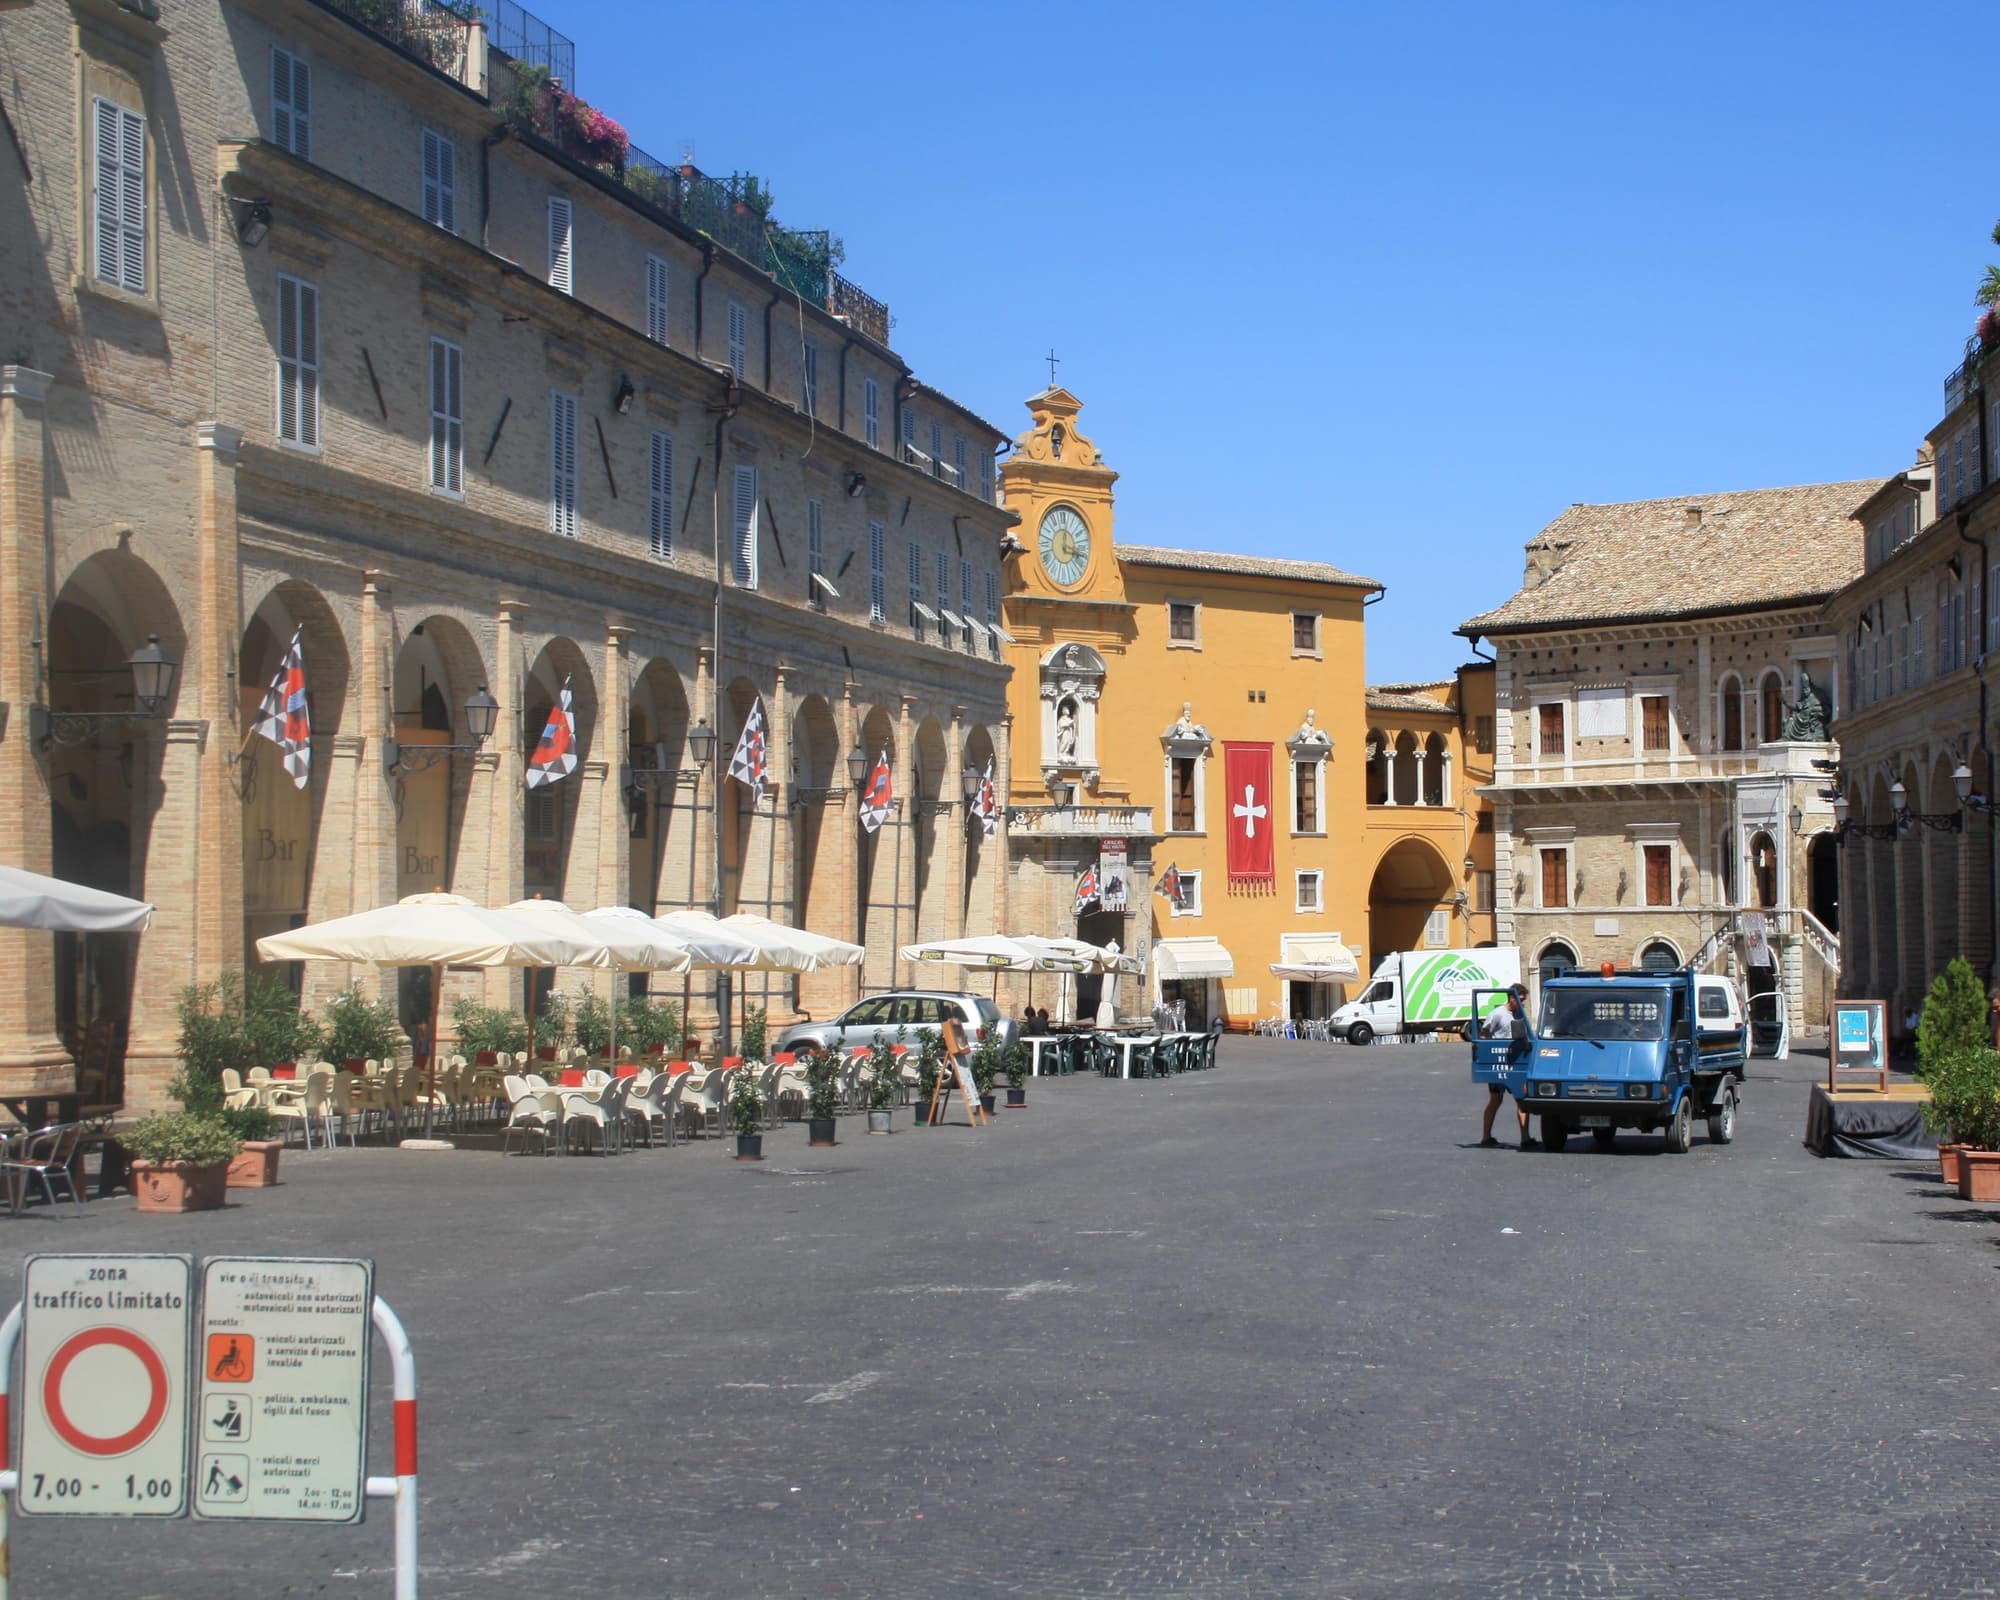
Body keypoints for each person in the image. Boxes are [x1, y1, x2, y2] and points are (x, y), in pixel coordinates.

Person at [1479, 984, 1533, 1150]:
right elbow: (1484, 1034)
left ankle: (1525, 1138)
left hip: (1517, 1063)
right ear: (1512, 998)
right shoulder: (1497, 1014)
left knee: (1522, 1100)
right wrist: (1489, 1054)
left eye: (1524, 1000)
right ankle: (1486, 1137)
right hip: (1500, 1064)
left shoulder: (1519, 1014)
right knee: (1495, 1100)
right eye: (1520, 1000)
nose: (1522, 1003)